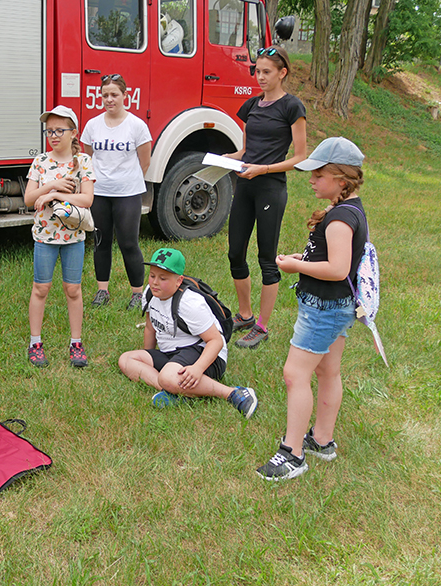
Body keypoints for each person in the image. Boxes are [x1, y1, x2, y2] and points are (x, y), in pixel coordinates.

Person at [256, 137, 367, 481]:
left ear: (341, 179)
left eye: (319, 175)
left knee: (295, 374)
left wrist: (295, 267)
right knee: (327, 371)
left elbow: (337, 269)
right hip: (338, 306)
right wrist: (301, 258)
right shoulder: (348, 209)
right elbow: (334, 261)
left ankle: (293, 454)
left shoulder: (339, 218)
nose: (312, 180)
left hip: (324, 308)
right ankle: (322, 440)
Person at [224, 46, 307, 348]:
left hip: (271, 186)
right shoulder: (251, 106)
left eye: (266, 71)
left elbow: (299, 157)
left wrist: (264, 169)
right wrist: (226, 158)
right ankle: (244, 314)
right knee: (235, 252)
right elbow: (245, 151)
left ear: (282, 73)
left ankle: (262, 325)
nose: (260, 76)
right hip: (245, 185)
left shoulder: (292, 107)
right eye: (257, 71)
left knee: (266, 258)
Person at [118, 247, 258, 417]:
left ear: (179, 281)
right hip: (171, 354)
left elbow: (216, 341)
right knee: (126, 359)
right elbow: (150, 327)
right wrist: (148, 355)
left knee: (168, 376)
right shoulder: (149, 293)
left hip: (204, 353)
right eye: (152, 275)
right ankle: (172, 390)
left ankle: (234, 393)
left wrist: (198, 369)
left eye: (163, 278)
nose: (154, 282)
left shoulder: (190, 302)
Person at [24, 106, 95, 368]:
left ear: (73, 132)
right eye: (49, 131)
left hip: (73, 237)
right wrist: (52, 185)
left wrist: (54, 196)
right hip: (44, 236)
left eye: (59, 130)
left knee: (73, 289)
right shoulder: (41, 161)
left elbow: (87, 199)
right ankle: (35, 343)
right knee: (40, 288)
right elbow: (29, 198)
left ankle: (76, 342)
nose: (53, 136)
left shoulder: (83, 162)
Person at [80, 74, 152, 310]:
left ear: (125, 96)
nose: (109, 99)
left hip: (128, 193)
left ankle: (137, 294)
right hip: (99, 193)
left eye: (114, 95)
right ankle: (103, 290)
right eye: (105, 95)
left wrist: (126, 180)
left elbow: (145, 162)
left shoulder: (137, 126)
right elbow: (87, 158)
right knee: (101, 242)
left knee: (128, 243)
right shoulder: (92, 125)